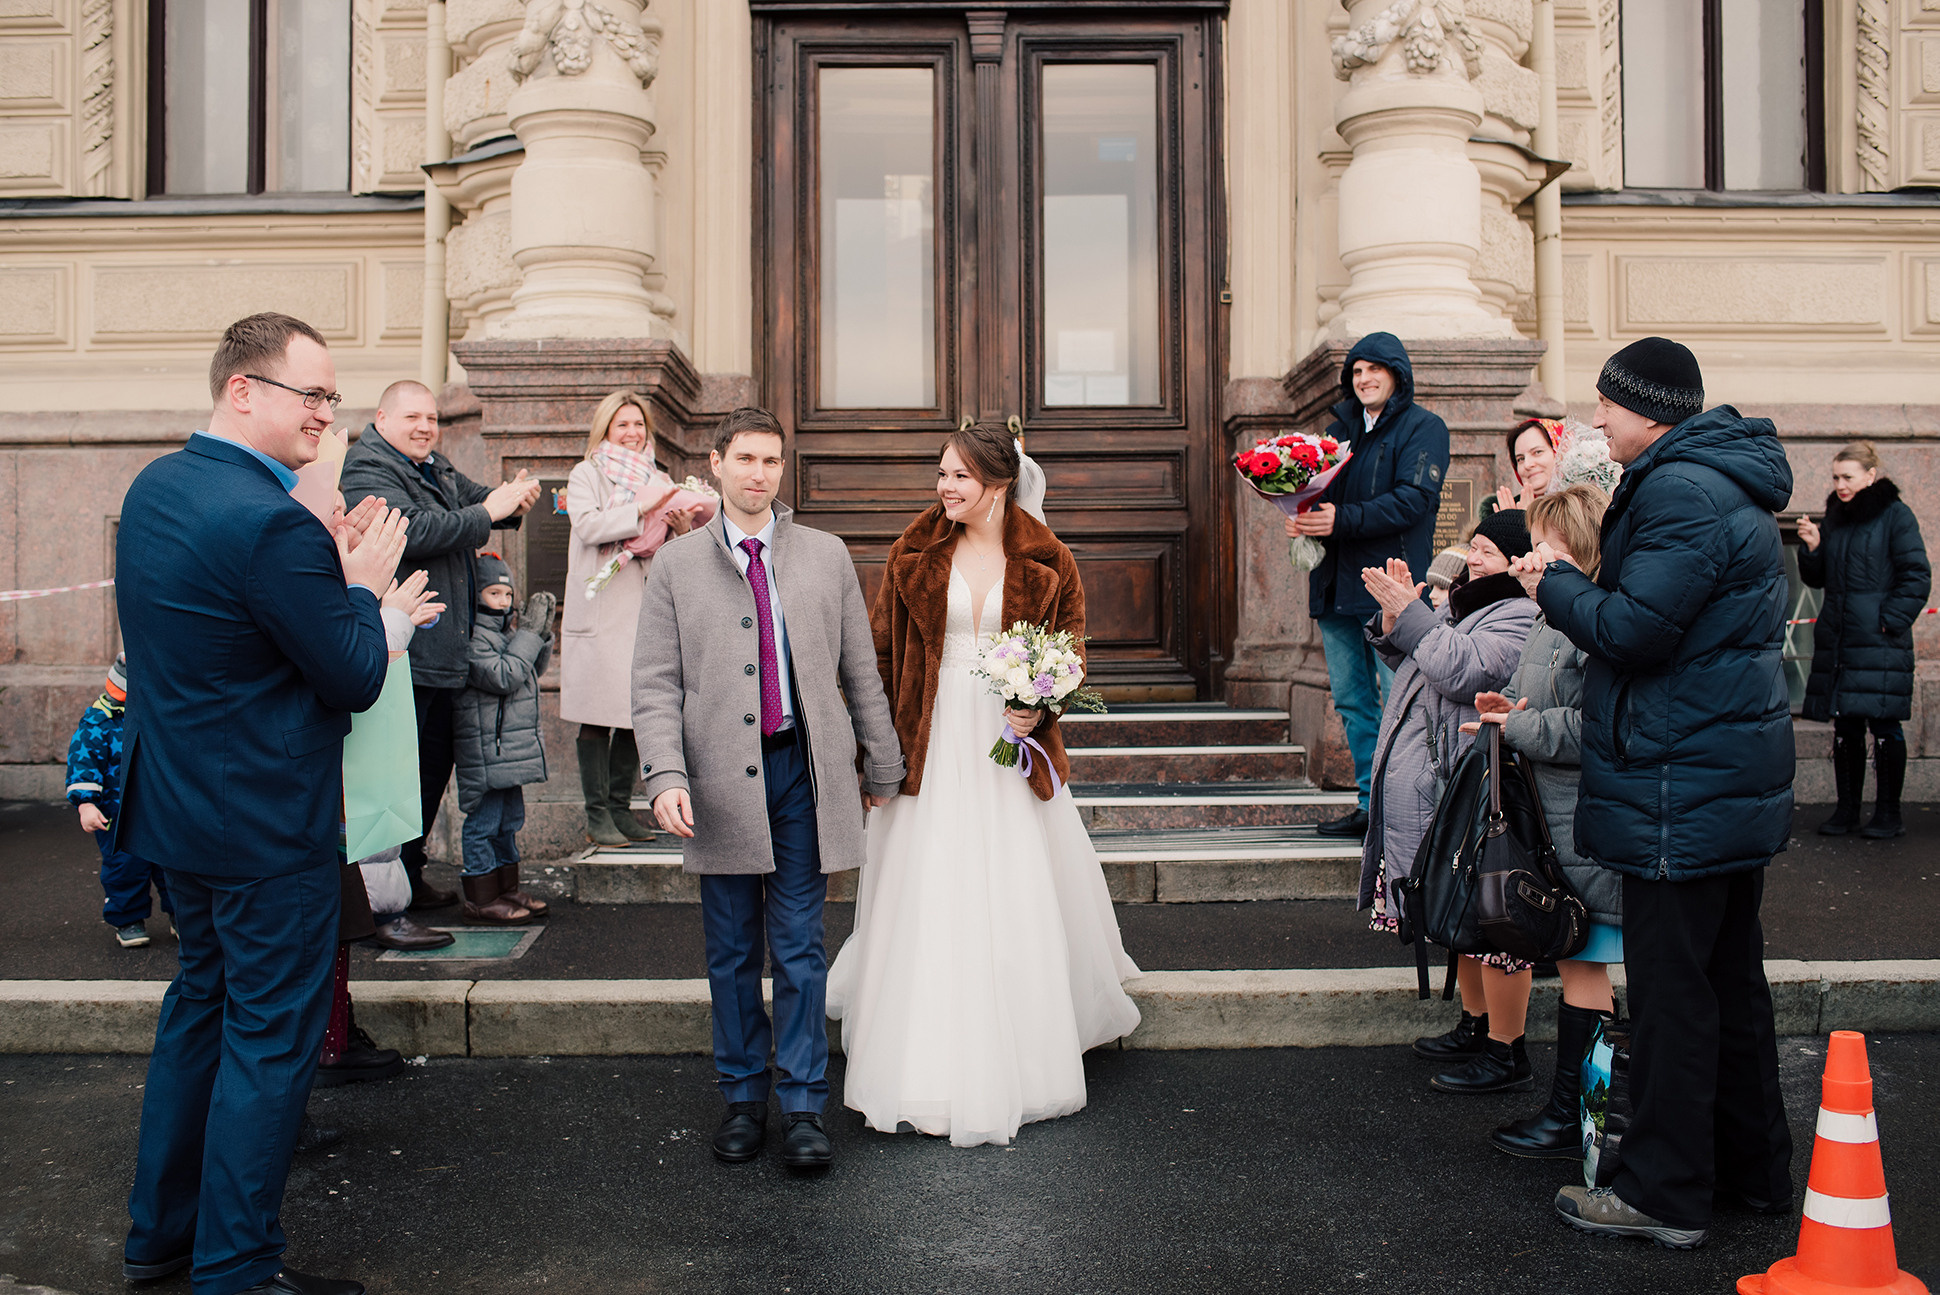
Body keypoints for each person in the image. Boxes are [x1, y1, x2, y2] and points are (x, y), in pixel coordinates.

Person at [118, 311, 405, 1295]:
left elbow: (221, 636)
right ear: (243, 389)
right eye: (312, 393)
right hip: (266, 828)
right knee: (269, 1041)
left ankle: (161, 1234)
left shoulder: (158, 487)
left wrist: (319, 564)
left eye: (332, 396)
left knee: (200, 1010)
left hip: (173, 812)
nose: (328, 412)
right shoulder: (271, 520)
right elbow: (353, 673)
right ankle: (235, 1266)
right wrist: (371, 596)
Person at [1533, 336, 1794, 1249]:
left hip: (1678, 785)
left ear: (1650, 409)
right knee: (1726, 983)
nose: (1596, 419)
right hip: (1718, 778)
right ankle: (1750, 1173)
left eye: (1607, 404)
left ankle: (1664, 1193)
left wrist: (1559, 585)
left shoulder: (1681, 490)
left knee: (1678, 995)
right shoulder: (1722, 482)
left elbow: (1636, 629)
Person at [827, 422, 1142, 1148]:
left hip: (1008, 745)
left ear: (998, 484)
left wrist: (1042, 701)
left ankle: (1021, 1056)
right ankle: (918, 1059)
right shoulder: (911, 553)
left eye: (959, 477)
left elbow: (1073, 650)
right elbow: (876, 656)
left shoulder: (1048, 556)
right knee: (928, 884)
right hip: (929, 742)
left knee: (1009, 885)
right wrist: (876, 753)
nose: (944, 488)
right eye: (940, 474)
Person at [633, 407, 905, 1172]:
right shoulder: (678, 566)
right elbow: (655, 684)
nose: (759, 473)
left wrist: (881, 764)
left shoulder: (826, 554)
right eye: (746, 458)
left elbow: (861, 672)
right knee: (729, 951)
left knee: (799, 948)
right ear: (715, 463)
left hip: (804, 773)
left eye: (772, 461)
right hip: (718, 781)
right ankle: (744, 1099)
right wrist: (665, 775)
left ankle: (803, 1104)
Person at [1459, 484, 1623, 1157]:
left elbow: (1599, 726)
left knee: (1587, 969)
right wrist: (1512, 709)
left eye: (1546, 541)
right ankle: (1578, 1117)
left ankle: (1582, 1120)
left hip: (1585, 821)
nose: (1533, 553)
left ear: (1580, 546)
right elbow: (1553, 703)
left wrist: (1519, 723)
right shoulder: (1551, 614)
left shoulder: (1593, 617)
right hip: (1558, 822)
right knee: (1579, 965)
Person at [340, 378, 542, 920]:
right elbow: (413, 529)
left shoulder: (434, 465)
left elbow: (477, 500)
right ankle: (380, 900)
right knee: (400, 774)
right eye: (413, 418)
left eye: (431, 418)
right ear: (382, 419)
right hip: (404, 652)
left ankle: (410, 872)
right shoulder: (368, 468)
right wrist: (490, 511)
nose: (426, 427)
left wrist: (511, 498)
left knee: (430, 773)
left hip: (441, 655)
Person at [1356, 510, 1536, 1089]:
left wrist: (1412, 615)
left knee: (1491, 920)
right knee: (1461, 913)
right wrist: (1396, 615)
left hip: (1475, 788)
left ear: (1514, 560)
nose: (1471, 557)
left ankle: (1508, 1051)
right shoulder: (1465, 605)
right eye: (1473, 546)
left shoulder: (1521, 612)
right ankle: (1475, 1022)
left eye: (1484, 550)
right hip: (1444, 784)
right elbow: (1413, 656)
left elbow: (1464, 670)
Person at [1287, 333, 1450, 838]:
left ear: (1397, 374)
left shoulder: (1425, 428)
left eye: (1374, 369)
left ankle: (1409, 804)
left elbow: (1413, 501)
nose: (1364, 379)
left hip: (1390, 590)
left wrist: (1339, 519)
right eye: (1356, 372)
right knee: (1353, 701)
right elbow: (1319, 498)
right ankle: (1369, 802)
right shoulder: (1337, 433)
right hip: (1336, 586)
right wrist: (1299, 513)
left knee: (1400, 700)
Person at [562, 390, 715, 846]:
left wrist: (684, 522)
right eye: (622, 424)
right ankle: (596, 817)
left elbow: (672, 548)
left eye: (638, 425)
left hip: (645, 606)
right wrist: (644, 507)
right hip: (602, 604)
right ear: (606, 429)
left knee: (636, 711)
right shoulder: (585, 474)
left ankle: (619, 811)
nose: (632, 433)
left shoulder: (660, 477)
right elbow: (587, 525)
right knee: (596, 715)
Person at [1797, 441, 1931, 840]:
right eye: (1836, 477)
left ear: (1871, 476)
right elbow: (1819, 580)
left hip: (1879, 642)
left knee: (1886, 727)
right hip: (1841, 640)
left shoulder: (1895, 516)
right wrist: (1813, 548)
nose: (1839, 484)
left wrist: (1887, 622)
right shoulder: (1837, 519)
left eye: (1848, 477)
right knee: (1847, 727)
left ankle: (1889, 814)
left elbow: (1916, 576)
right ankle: (1846, 812)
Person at [453, 555, 557, 923]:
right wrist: (529, 635)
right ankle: (481, 896)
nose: (503, 601)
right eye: (493, 592)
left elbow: (532, 670)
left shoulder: (507, 634)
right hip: (486, 752)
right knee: (483, 824)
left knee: (509, 822)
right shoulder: (473, 638)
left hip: (507, 751)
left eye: (508, 593)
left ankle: (505, 888)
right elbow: (505, 675)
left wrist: (541, 635)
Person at [65, 654, 174, 948]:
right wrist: (86, 803)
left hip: (158, 809)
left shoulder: (156, 713)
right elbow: (82, 762)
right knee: (125, 868)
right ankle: (128, 919)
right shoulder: (98, 722)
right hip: (117, 812)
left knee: (173, 866)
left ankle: (183, 917)